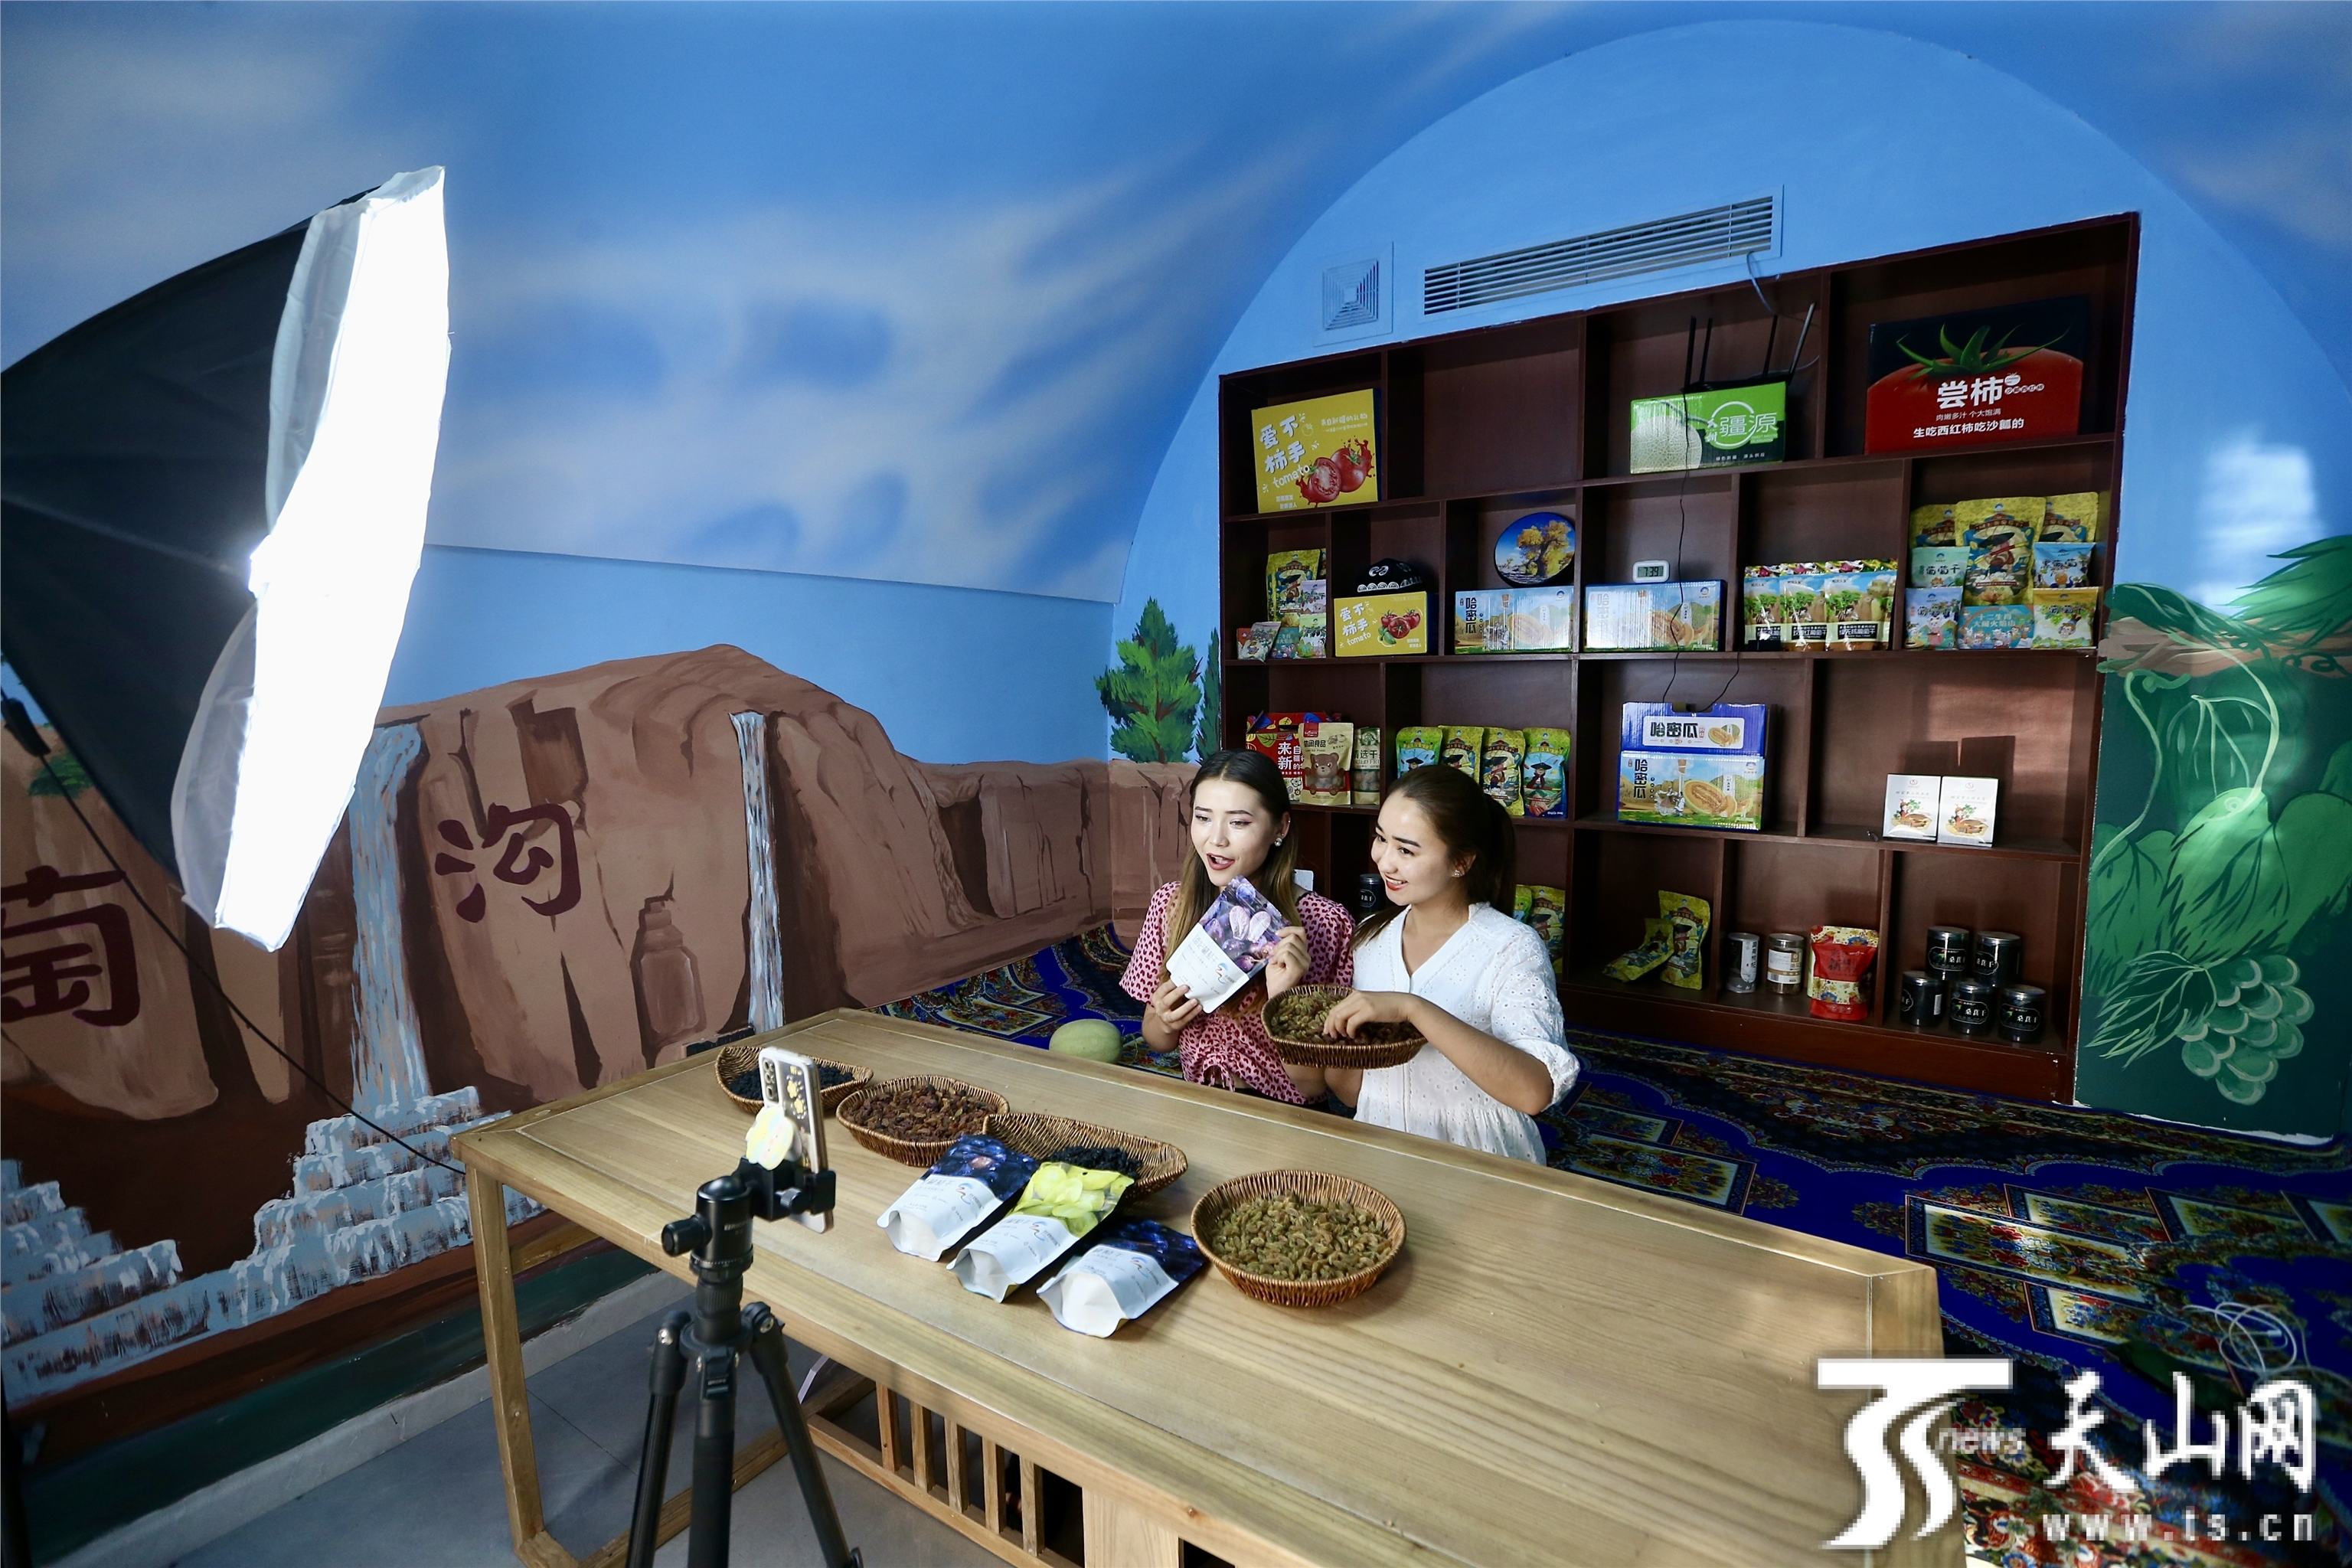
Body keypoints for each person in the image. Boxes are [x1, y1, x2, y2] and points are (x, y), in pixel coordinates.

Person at [1320, 764, 1578, 1161]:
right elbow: (1353, 1093)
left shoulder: (1511, 947)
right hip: (1382, 1149)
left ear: (1461, 862)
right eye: (1381, 838)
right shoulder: (1370, 938)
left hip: (1479, 1157)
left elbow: (1534, 1092)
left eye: (1406, 850)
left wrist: (1413, 1009)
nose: (1384, 862)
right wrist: (1335, 1039)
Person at [1119, 749, 1353, 1103]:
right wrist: (1164, 1021)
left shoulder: (1326, 924)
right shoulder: (1172, 905)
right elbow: (1156, 1038)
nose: (1216, 839)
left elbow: (1314, 1086)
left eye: (1238, 822)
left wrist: (1286, 1000)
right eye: (1203, 817)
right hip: (1198, 1103)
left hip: (1285, 1116)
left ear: (1280, 827)